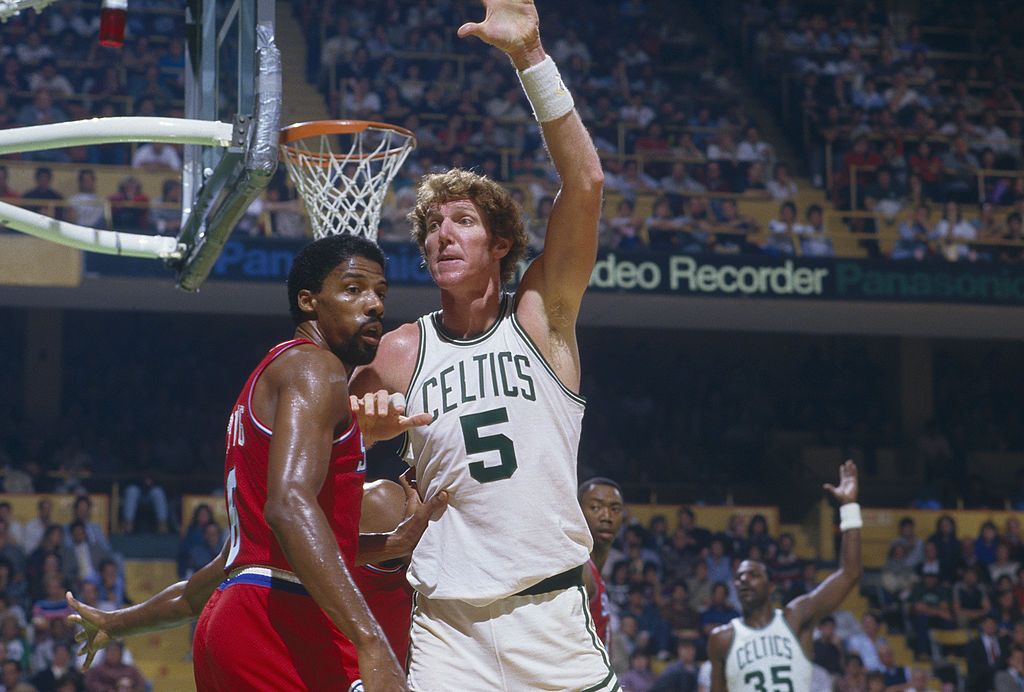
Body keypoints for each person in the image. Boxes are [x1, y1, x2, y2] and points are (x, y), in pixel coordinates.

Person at [349, 0, 613, 689]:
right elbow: (324, 436)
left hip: (552, 617)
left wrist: (529, 57)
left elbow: (584, 184)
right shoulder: (404, 349)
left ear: (500, 243)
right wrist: (359, 424)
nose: (442, 233)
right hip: (446, 630)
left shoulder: (540, 315)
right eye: (433, 224)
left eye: (462, 220)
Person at [67, 235, 446, 691]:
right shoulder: (315, 368)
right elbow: (288, 507)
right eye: (353, 289)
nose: (373, 305)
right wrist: (372, 640)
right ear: (309, 301)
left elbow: (242, 559)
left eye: (380, 293)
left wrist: (119, 622)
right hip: (282, 619)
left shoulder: (269, 379)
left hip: (236, 613)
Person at [708, 462, 863, 691]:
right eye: (739, 577)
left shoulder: (796, 618)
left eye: (753, 575)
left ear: (771, 587)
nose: (743, 580)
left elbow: (850, 573)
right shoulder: (722, 639)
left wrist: (849, 506)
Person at [579, 477, 625, 646]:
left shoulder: (593, 572)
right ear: (576, 512)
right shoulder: (579, 569)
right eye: (595, 507)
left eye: (615, 509)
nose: (606, 516)